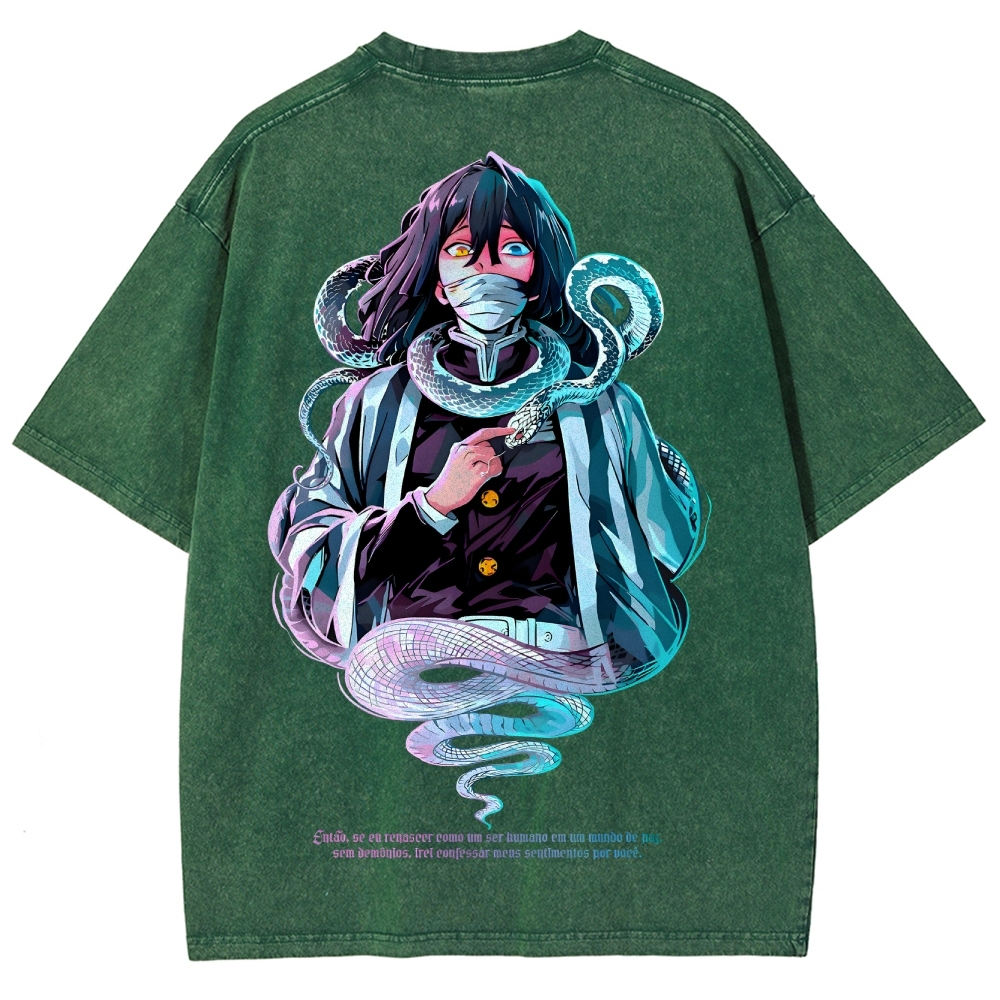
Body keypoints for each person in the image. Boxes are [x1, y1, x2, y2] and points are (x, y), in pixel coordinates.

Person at [268, 152, 706, 825]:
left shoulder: (603, 405)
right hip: (413, 663)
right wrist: (432, 506)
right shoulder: (375, 404)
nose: (486, 270)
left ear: (539, 275)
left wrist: (655, 469)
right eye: (461, 250)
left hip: (571, 657)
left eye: (511, 250)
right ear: (437, 280)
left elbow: (664, 547)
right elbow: (312, 554)